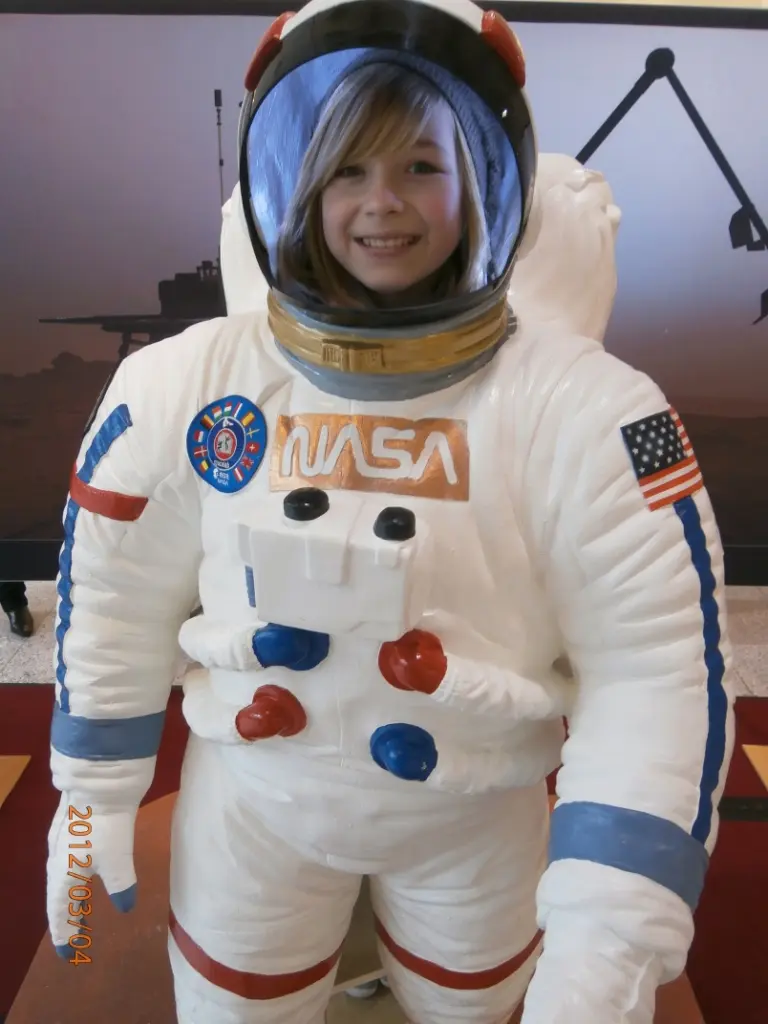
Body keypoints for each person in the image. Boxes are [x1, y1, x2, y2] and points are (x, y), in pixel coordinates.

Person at [45, 3, 734, 1024]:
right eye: (349, 169)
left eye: (420, 165)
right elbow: (115, 590)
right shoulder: (186, 384)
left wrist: (606, 948)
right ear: (299, 184)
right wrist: (90, 795)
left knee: (475, 1010)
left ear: (483, 180)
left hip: (473, 819)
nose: (383, 203)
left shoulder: (595, 412)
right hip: (255, 812)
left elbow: (659, 669)